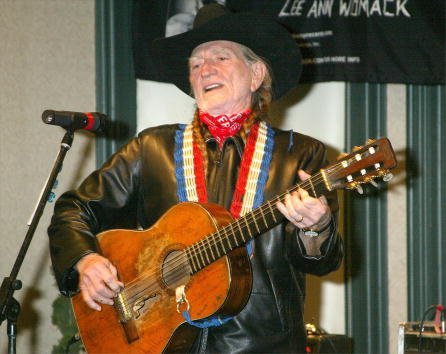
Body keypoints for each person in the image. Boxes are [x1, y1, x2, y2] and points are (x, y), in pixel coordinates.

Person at [48, 4, 343, 353]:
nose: (205, 70)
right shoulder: (152, 148)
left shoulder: (300, 155)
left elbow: (320, 260)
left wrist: (316, 227)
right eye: (196, 64)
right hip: (161, 340)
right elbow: (73, 209)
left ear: (256, 74)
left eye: (220, 57)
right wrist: (86, 259)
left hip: (262, 343)